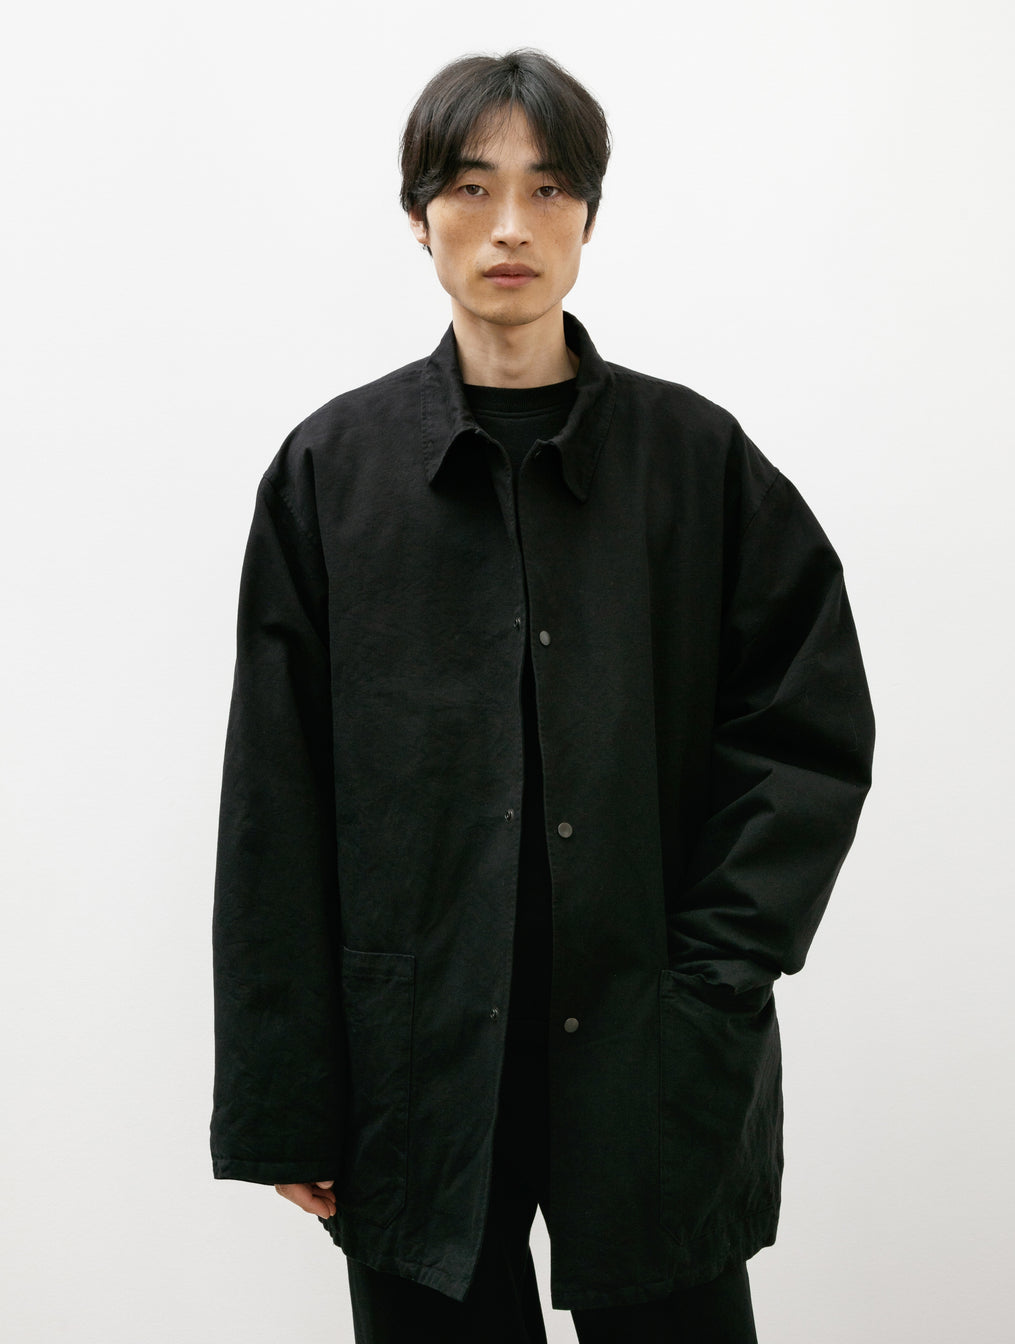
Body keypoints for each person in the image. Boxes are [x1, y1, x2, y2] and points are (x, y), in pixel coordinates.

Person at [211, 49, 874, 1344]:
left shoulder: (695, 462)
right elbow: (273, 801)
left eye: (548, 187)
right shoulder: (332, 474)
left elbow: (808, 732)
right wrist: (285, 1099)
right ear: (419, 216)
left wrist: (715, 973)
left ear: (589, 217)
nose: (510, 225)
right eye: (471, 186)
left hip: (651, 1039)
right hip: (411, 1058)